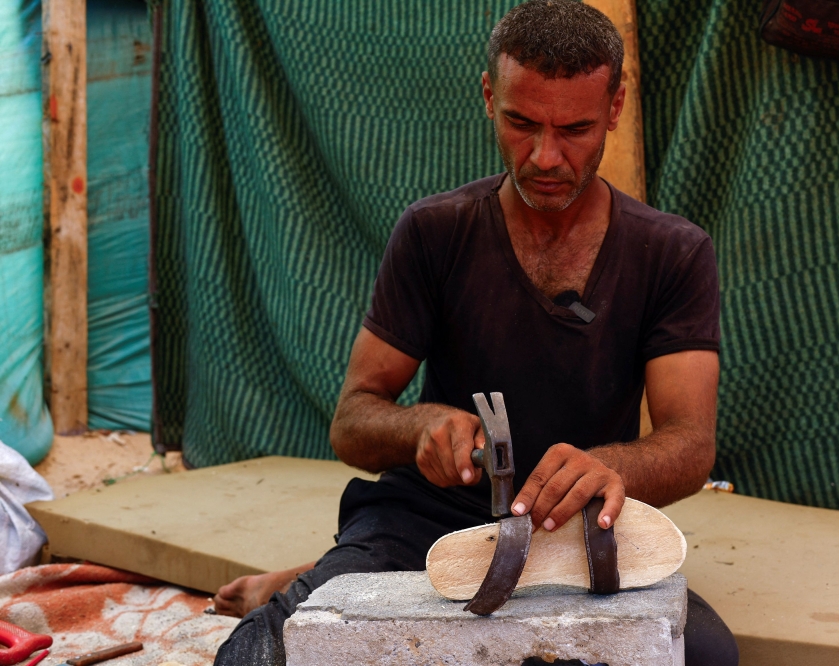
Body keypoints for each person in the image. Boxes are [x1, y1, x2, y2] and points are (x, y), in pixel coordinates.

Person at [213, 1, 739, 664]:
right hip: (428, 519)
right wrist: (421, 427)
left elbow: (691, 443)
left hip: (578, 531)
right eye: (522, 123)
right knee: (265, 651)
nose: (545, 156)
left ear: (615, 106)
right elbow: (352, 421)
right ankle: (325, 576)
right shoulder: (434, 233)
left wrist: (611, 468)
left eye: (574, 129)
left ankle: (319, 575)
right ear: (489, 97)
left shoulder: (673, 252)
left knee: (706, 655)